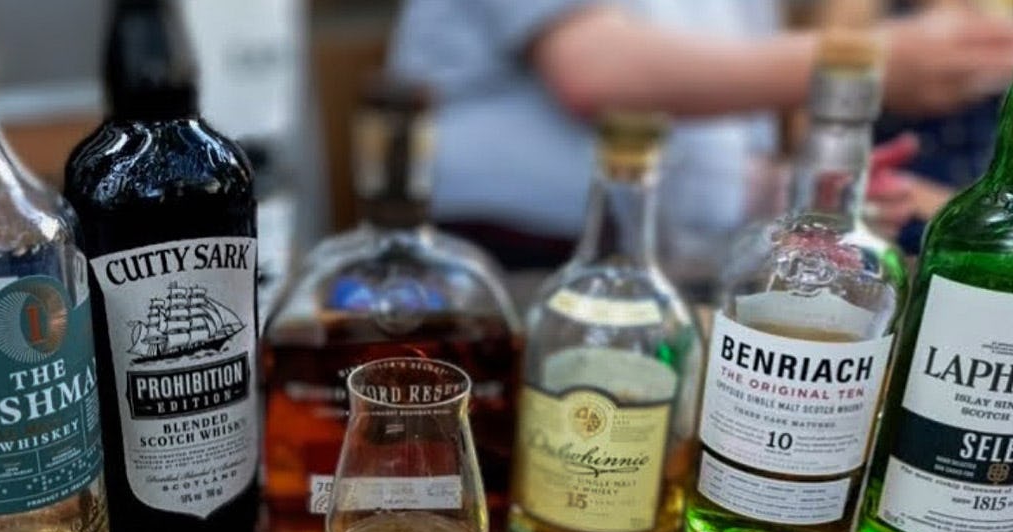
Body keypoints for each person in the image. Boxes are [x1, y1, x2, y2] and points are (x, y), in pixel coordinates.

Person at [388, 1, 1013, 273]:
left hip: (674, 263)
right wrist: (863, 62)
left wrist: (802, 190)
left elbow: (707, 153)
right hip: (504, 261)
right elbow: (596, 72)